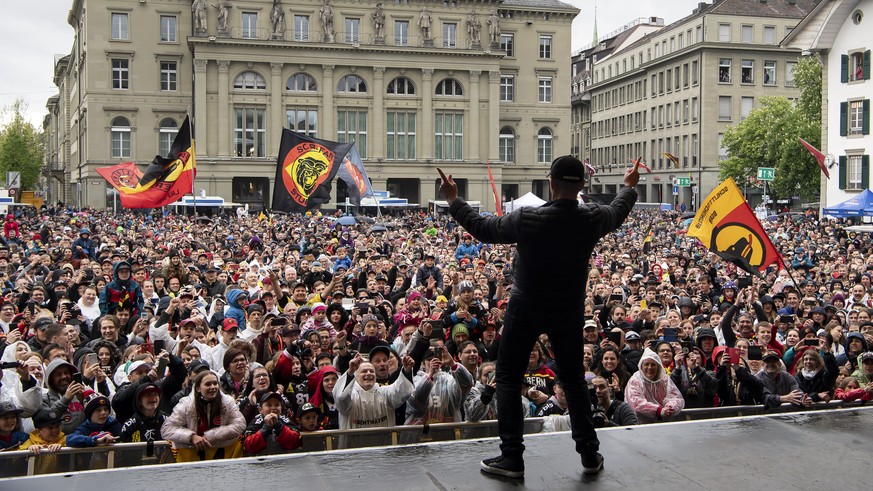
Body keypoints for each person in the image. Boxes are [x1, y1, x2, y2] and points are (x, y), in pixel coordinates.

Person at [437, 155, 640, 478]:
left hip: (526, 306)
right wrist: (629, 186)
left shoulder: (527, 219)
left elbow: (481, 228)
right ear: (583, 186)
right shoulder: (591, 218)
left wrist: (453, 198)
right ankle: (589, 453)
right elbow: (618, 211)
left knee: (507, 376)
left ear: (550, 184)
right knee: (573, 380)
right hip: (568, 309)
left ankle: (512, 457)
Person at [161, 370, 246, 462]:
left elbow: (240, 424)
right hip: (193, 457)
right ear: (198, 388)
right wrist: (191, 437)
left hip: (222, 454)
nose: (213, 387)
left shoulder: (227, 402)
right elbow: (167, 429)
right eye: (208, 384)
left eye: (215, 383)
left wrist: (212, 435)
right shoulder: (186, 405)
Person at [624, 348, 685, 423]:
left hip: (664, 424)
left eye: (653, 364)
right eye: (646, 364)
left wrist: (670, 407)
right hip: (641, 425)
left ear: (658, 366)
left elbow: (675, 397)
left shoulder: (664, 379)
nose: (650, 367)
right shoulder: (635, 380)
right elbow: (636, 402)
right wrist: (658, 410)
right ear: (641, 366)